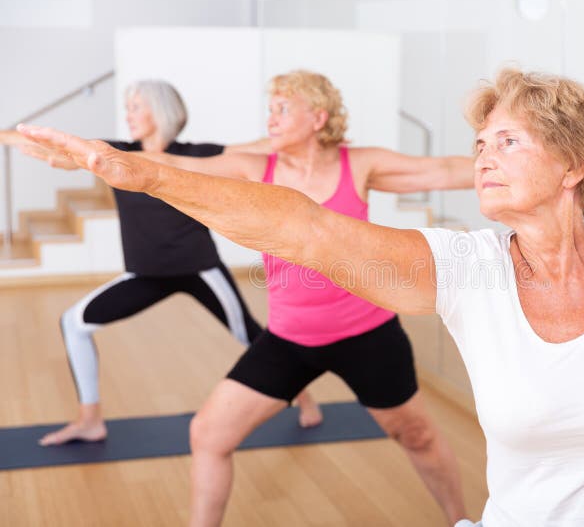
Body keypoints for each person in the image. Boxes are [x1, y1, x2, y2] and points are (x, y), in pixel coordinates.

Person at [19, 67, 584, 526]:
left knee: (415, 434)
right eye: (481, 144)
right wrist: (139, 171)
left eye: (509, 142)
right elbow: (305, 232)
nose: (483, 157)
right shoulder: (466, 269)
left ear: (573, 167)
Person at [25, 70, 474, 527]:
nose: (271, 118)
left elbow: (443, 170)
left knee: (415, 434)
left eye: (283, 108)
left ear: (318, 117)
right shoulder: (254, 167)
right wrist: (94, 159)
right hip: (289, 340)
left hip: (368, 335)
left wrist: (516, 160)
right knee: (208, 435)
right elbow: (171, 168)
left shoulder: (359, 163)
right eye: (271, 107)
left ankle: (462, 520)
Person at [0, 80, 321, 446]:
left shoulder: (198, 154)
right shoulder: (118, 153)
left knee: (248, 333)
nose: (129, 114)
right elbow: (51, 147)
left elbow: (258, 149)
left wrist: (312, 134)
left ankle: (304, 396)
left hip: (199, 269)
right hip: (145, 273)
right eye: (128, 107)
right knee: (73, 323)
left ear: (161, 111)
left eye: (137, 106)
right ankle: (90, 421)